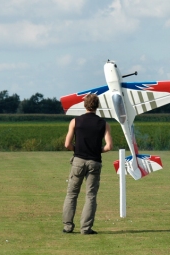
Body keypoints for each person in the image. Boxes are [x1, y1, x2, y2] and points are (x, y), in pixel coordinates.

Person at [62, 94, 113, 235]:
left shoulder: (75, 121)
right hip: (95, 162)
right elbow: (109, 146)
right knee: (91, 195)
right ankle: (86, 228)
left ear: (84, 105)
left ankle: (67, 226)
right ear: (97, 106)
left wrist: (77, 150)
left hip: (78, 161)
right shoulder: (104, 124)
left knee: (72, 194)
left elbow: (67, 144)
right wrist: (97, 151)